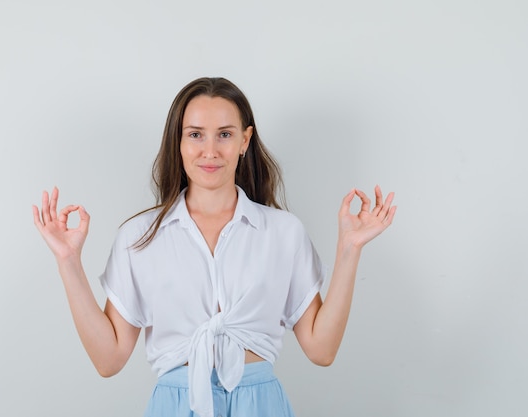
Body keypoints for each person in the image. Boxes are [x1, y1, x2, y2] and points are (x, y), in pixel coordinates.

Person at [32, 77, 396, 417]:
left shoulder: (284, 232)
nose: (210, 151)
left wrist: (350, 249)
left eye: (224, 134)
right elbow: (108, 360)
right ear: (178, 141)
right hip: (177, 403)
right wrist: (68, 261)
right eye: (195, 134)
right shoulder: (139, 236)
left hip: (260, 403)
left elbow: (322, 349)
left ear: (245, 140)